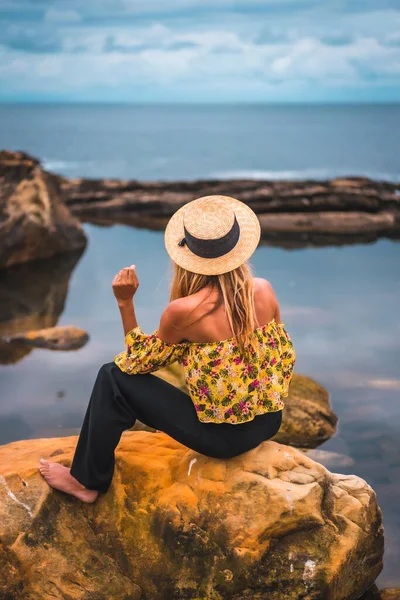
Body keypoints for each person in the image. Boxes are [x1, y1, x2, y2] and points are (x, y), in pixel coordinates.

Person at [38, 195, 296, 503]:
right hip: (269, 421)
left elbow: (136, 363)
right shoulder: (263, 289)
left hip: (224, 440)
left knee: (112, 377)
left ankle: (86, 483)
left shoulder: (186, 312)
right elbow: (275, 358)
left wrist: (125, 302)